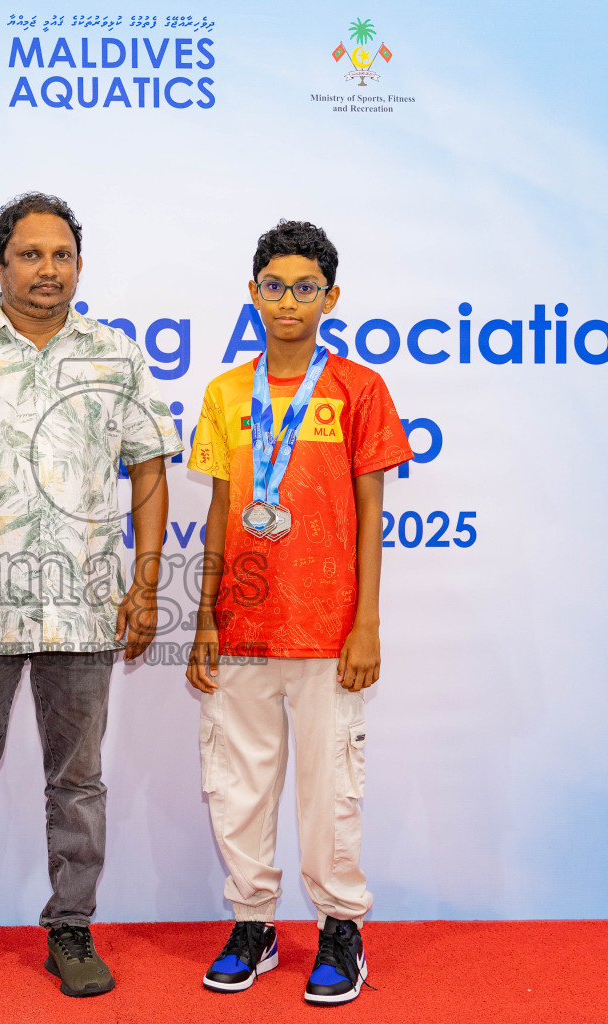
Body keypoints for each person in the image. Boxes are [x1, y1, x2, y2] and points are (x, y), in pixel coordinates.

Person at [0, 192, 184, 998]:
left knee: (77, 783)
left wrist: (145, 583)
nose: (48, 269)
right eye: (30, 254)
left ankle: (72, 931)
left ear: (78, 264)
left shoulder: (114, 356)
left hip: (83, 606)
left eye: (62, 255)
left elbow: (149, 469)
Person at [185, 220, 412, 1006]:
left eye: (305, 288)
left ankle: (340, 930)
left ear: (331, 298)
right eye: (274, 287)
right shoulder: (224, 395)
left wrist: (367, 622)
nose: (288, 301)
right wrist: (206, 617)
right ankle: (253, 923)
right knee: (237, 784)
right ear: (252, 295)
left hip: (329, 628)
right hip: (243, 626)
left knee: (329, 791)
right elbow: (218, 508)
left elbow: (371, 511)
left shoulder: (358, 389)